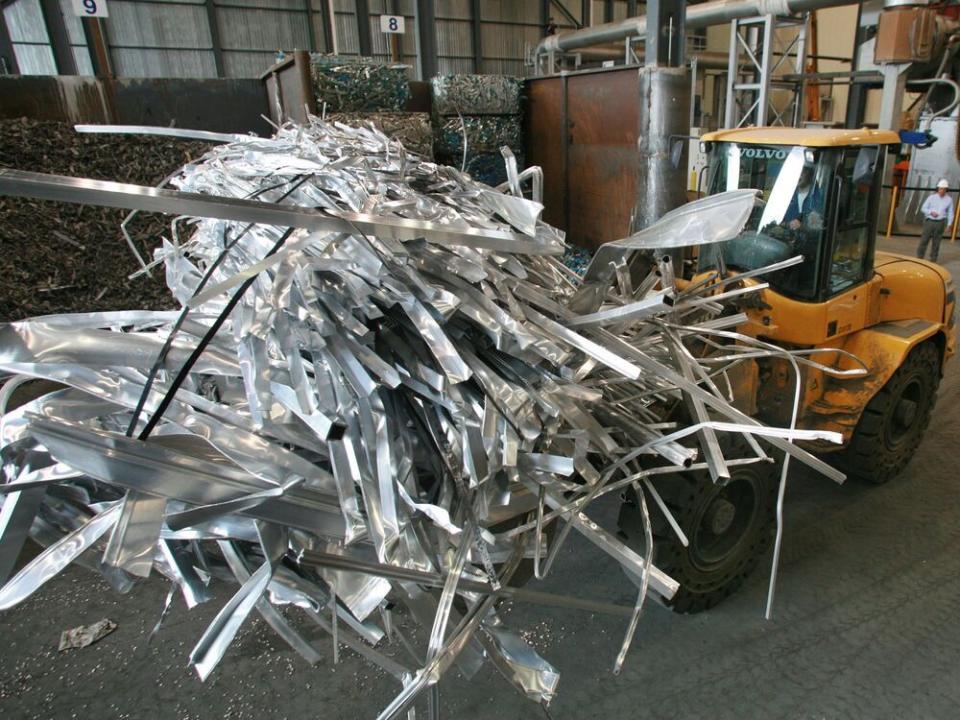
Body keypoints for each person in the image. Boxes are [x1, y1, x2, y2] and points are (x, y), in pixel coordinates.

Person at [917, 179, 954, 263]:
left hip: (940, 223)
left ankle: (933, 260)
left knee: (936, 243)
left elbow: (950, 212)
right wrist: (931, 212)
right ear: (938, 188)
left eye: (943, 189)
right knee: (924, 240)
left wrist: (949, 224)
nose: (941, 191)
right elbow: (923, 208)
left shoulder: (949, 200)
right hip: (930, 221)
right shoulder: (931, 197)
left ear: (946, 190)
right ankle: (919, 258)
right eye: (940, 189)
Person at [783, 165, 824, 231]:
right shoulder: (787, 194)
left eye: (803, 171)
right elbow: (777, 219)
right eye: (796, 171)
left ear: (810, 174)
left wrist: (803, 227)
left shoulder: (821, 196)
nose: (798, 174)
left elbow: (822, 230)